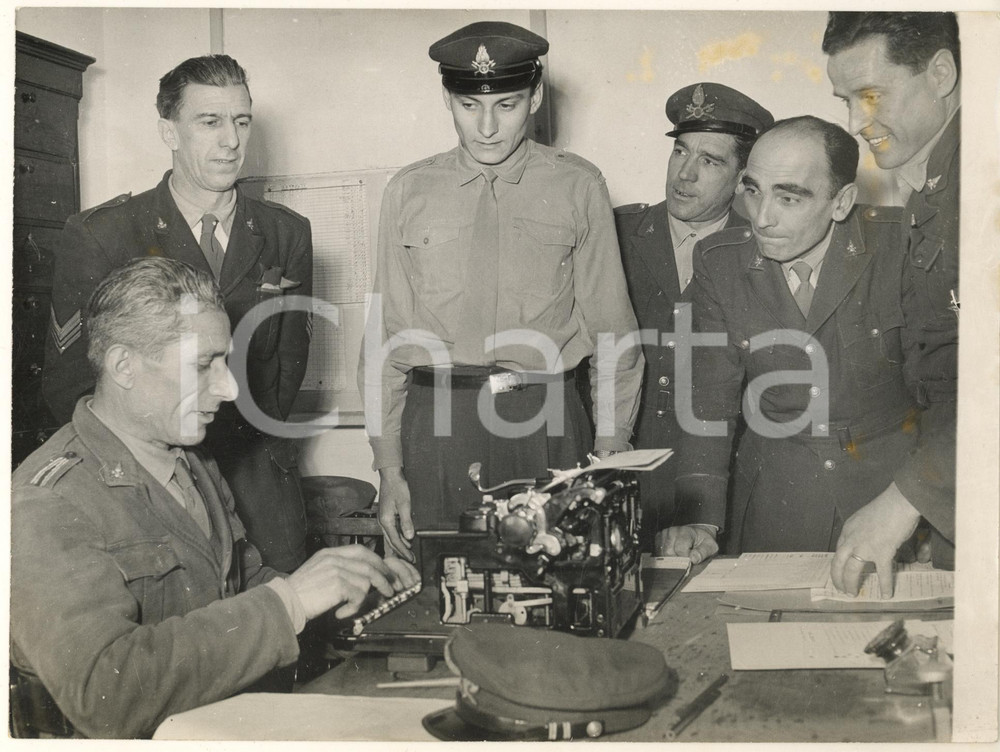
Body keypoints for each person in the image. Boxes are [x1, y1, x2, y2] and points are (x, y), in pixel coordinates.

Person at [11, 258, 418, 739]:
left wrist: (343, 584)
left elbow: (238, 582)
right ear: (124, 365)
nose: (229, 388)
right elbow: (107, 694)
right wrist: (290, 600)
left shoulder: (192, 461)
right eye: (204, 365)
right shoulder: (47, 503)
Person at [360, 21, 643, 560]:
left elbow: (613, 332)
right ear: (448, 99)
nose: (487, 127)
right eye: (469, 106)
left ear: (535, 97)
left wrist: (609, 448)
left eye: (507, 105)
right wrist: (388, 467)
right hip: (438, 423)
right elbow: (384, 341)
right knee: (445, 597)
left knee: (556, 598)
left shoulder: (579, 185)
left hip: (546, 416)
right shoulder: (408, 191)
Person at [42, 54, 313, 573]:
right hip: (149, 483)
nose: (230, 141)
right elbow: (70, 384)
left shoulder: (286, 232)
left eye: (241, 121)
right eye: (209, 122)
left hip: (259, 480)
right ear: (169, 131)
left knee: (282, 627)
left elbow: (285, 367)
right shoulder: (103, 235)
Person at [661, 116, 919, 571]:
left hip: (891, 498)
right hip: (779, 501)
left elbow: (949, 398)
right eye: (753, 190)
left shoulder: (902, 247)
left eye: (788, 197)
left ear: (841, 202)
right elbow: (708, 404)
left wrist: (917, 501)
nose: (762, 218)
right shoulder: (720, 263)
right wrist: (699, 519)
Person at [823, 11, 959, 595]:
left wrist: (906, 500)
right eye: (845, 100)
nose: (856, 122)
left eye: (872, 95)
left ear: (941, 72)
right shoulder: (930, 191)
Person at [614, 82, 772, 551]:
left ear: (744, 177)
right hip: (626, 473)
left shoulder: (764, 249)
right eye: (680, 152)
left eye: (710, 161)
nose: (685, 173)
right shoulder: (616, 234)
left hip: (723, 481)